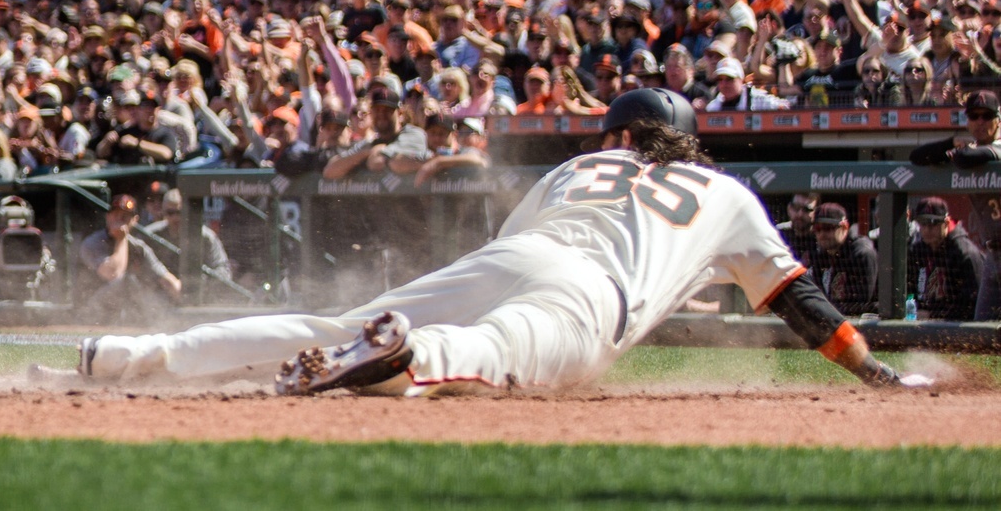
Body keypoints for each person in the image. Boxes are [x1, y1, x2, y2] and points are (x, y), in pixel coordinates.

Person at [67, 90, 928, 395]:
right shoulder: (727, 191)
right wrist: (874, 368)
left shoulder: (579, 166)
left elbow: (516, 253)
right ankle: (409, 353)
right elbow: (803, 304)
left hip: (517, 254)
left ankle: (130, 353)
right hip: (591, 296)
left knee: (331, 324)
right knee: (483, 351)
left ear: (618, 131)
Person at [909, 92, 1001, 318]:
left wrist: (960, 150)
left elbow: (967, 158)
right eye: (974, 116)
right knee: (982, 327)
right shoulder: (970, 147)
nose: (981, 122)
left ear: (998, 120)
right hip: (994, 252)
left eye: (987, 116)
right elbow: (917, 157)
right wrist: (951, 142)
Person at [78, 193, 181, 320]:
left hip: (128, 315)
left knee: (152, 294)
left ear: (134, 220)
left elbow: (166, 280)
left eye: (125, 216)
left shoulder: (139, 247)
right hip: (90, 312)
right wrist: (121, 239)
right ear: (107, 216)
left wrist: (184, 299)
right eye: (116, 214)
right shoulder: (93, 243)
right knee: (128, 281)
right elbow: (113, 274)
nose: (120, 219)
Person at [905, 197, 984, 321]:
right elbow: (908, 289)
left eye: (933, 224)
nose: (927, 229)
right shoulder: (917, 249)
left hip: (959, 328)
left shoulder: (964, 253)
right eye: (923, 223)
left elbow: (972, 304)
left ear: (946, 223)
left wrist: (934, 315)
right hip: (923, 323)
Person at [807, 203, 877, 315]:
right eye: (817, 229)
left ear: (845, 227)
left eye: (828, 228)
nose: (822, 234)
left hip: (866, 324)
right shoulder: (820, 255)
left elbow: (860, 304)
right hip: (832, 320)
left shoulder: (861, 253)